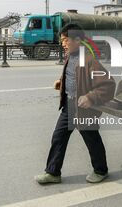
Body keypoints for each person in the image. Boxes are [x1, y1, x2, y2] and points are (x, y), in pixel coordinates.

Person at [35, 23, 116, 184]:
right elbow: (73, 76)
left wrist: (90, 97)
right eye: (62, 40)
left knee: (92, 140)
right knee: (58, 138)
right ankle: (53, 172)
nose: (62, 43)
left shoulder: (90, 60)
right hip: (69, 107)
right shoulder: (70, 57)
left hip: (84, 110)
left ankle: (101, 170)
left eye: (65, 40)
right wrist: (61, 82)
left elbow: (109, 84)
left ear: (78, 40)